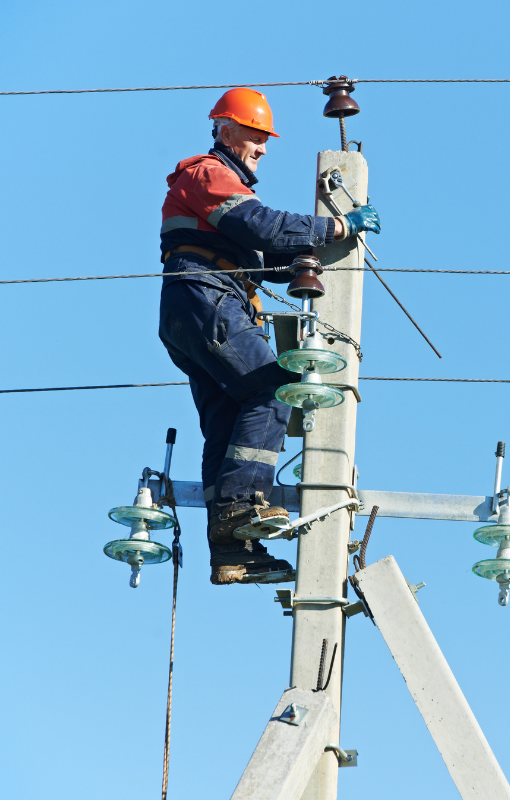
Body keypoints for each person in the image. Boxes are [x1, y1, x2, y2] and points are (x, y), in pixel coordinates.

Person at [157, 88, 380, 585]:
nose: (262, 148)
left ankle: (231, 551)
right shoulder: (207, 173)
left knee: (227, 423)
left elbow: (265, 252)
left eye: (265, 139)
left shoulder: (218, 191)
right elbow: (262, 227)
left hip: (194, 306)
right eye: (255, 136)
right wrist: (338, 227)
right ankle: (242, 506)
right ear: (225, 130)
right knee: (276, 388)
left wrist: (309, 251)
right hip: (208, 296)